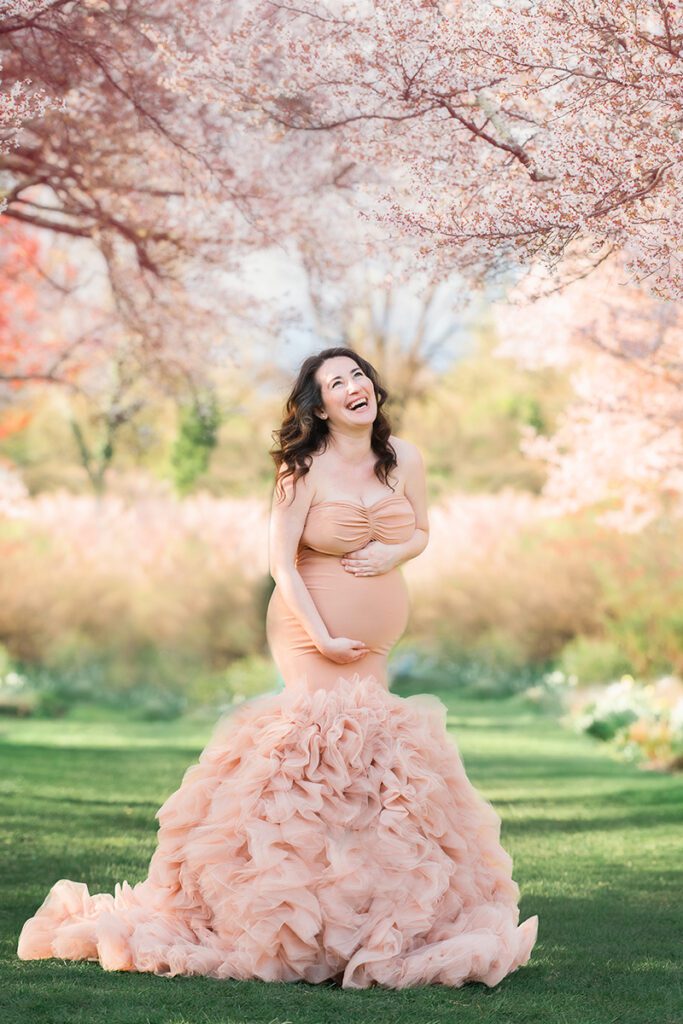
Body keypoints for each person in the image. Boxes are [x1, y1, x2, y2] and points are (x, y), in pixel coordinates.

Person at [16, 346, 538, 989]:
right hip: (308, 625)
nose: (355, 386)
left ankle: (360, 909)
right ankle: (284, 914)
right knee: (311, 755)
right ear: (318, 407)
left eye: (360, 376)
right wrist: (322, 636)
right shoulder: (301, 469)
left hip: (373, 641)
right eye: (336, 382)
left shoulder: (406, 457)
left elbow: (422, 531)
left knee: (371, 763)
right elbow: (281, 564)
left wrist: (391, 554)